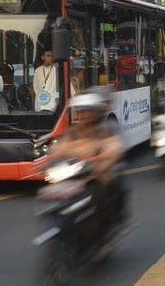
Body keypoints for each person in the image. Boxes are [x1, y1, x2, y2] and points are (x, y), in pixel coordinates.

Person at [47, 90, 127, 240]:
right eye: (81, 111)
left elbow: (115, 148)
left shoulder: (106, 128)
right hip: (76, 174)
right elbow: (58, 149)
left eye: (87, 111)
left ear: (95, 112)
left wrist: (104, 159)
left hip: (97, 175)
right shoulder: (73, 131)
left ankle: (107, 233)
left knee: (107, 191)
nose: (83, 114)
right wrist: (49, 160)